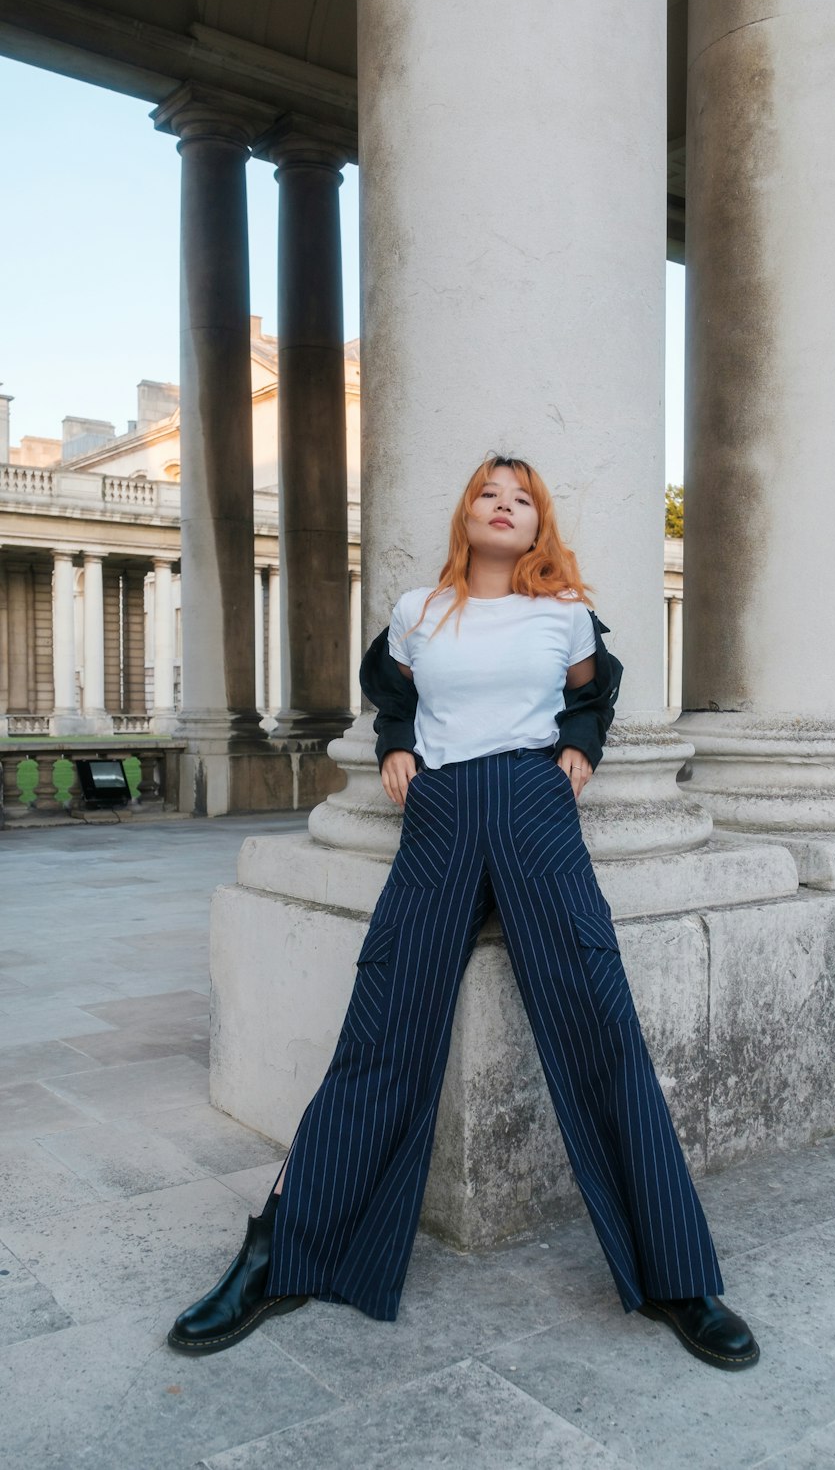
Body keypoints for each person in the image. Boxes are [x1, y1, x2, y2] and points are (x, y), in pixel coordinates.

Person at [168, 454, 759, 1372]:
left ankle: (679, 1275)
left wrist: (579, 752)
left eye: (523, 498)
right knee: (381, 1032)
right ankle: (279, 1255)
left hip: (532, 805)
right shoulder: (416, 610)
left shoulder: (565, 614)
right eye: (490, 492)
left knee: (600, 1020)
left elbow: (596, 692)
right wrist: (398, 743)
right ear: (467, 514)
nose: (505, 505)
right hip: (439, 815)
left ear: (538, 527)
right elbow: (391, 691)